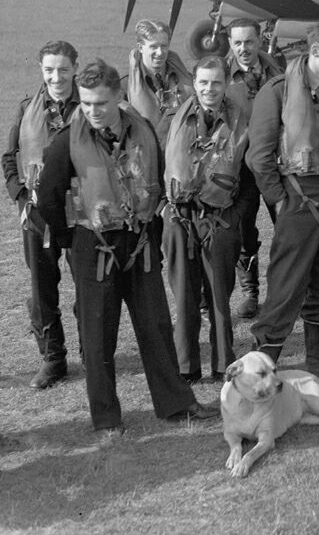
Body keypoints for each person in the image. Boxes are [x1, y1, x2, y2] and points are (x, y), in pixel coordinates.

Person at [35, 59, 216, 432]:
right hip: (93, 247)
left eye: (100, 103)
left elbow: (158, 175)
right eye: (86, 103)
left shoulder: (144, 129)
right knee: (98, 337)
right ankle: (106, 418)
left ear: (118, 97)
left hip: (140, 242)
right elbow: (48, 199)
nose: (93, 111)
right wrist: (72, 241)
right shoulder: (65, 142)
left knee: (157, 327)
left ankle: (176, 404)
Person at [246, 19, 319, 382]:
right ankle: (259, 374)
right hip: (298, 198)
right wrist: (280, 202)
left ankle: (317, 368)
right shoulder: (277, 91)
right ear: (314, 51)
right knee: (285, 289)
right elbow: (259, 156)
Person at [162, 56, 256, 383]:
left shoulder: (242, 122)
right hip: (179, 218)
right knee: (184, 295)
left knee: (219, 296)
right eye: (203, 82)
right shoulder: (172, 119)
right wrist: (166, 211)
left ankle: (222, 364)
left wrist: (234, 216)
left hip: (220, 218)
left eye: (216, 82)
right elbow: (153, 164)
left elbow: (251, 178)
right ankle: (186, 367)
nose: (209, 89)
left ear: (226, 82)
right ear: (194, 82)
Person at [2, 41, 80, 389]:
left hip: (80, 212)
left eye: (63, 69)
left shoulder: (89, 106)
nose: (56, 77)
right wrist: (20, 197)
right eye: (49, 69)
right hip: (36, 214)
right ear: (41, 69)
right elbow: (9, 157)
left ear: (75, 69)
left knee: (89, 284)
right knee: (41, 287)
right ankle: (53, 357)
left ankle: (92, 348)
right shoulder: (25, 108)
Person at [224, 18, 284, 319]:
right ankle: (250, 292)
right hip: (240, 169)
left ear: (260, 41)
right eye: (237, 43)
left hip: (274, 164)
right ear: (229, 44)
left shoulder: (279, 73)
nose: (243, 48)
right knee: (243, 230)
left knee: (286, 225)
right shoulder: (220, 77)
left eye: (249, 41)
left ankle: (287, 290)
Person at [124, 19, 192, 134]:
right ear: (140, 48)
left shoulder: (190, 81)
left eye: (163, 46)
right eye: (153, 46)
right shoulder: (125, 88)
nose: (160, 52)